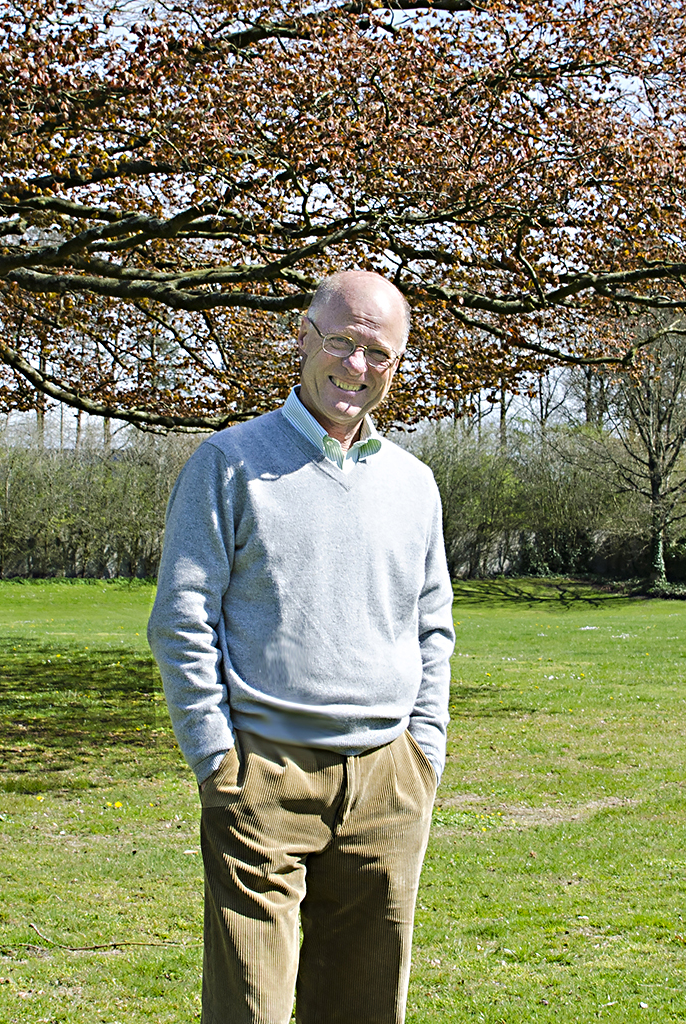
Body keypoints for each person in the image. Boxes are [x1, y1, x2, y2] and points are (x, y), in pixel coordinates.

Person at [148, 269, 454, 1024]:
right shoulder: (229, 464)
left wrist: (425, 750)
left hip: (388, 783)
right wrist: (217, 759)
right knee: (252, 1009)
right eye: (341, 342)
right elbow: (182, 620)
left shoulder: (414, 484)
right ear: (303, 338)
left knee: (365, 1009)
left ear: (397, 364)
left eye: (378, 352)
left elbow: (433, 623)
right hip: (262, 779)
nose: (356, 367)